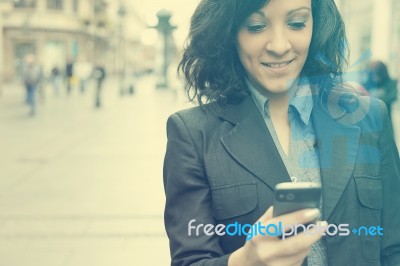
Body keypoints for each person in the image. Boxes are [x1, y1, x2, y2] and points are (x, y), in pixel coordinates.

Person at [163, 0, 400, 265]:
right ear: (229, 32)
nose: (279, 46)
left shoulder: (370, 117)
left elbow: (393, 247)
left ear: (317, 25)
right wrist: (245, 261)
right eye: (256, 26)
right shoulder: (192, 134)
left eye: (297, 23)